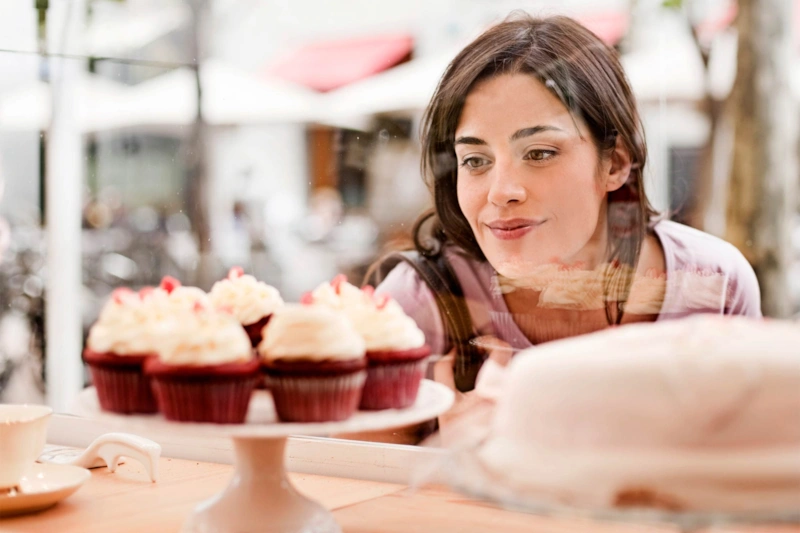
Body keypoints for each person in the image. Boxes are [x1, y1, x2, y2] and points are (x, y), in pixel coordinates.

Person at [371, 14, 761, 410]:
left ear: (615, 164)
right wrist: (449, 447)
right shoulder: (417, 305)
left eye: (539, 153)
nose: (501, 192)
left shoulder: (715, 287)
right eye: (474, 160)